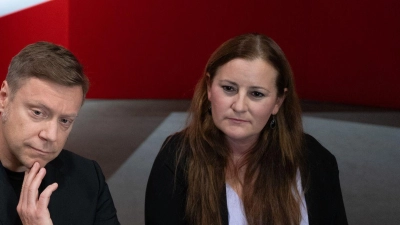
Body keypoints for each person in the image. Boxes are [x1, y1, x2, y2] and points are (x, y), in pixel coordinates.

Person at [145, 33, 348, 225]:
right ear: (209, 88)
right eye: (229, 88)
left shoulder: (315, 160)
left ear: (278, 101)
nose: (239, 106)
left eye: (257, 94)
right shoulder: (176, 157)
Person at [0, 42, 120, 224]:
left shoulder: (87, 177)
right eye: (38, 113)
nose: (51, 135)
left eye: (64, 121)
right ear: (4, 98)